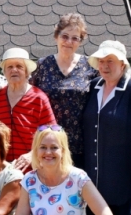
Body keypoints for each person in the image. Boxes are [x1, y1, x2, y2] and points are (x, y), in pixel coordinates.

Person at [83, 40, 131, 215]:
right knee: (103, 208)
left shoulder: (130, 89)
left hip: (123, 163)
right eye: (101, 61)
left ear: (122, 64)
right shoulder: (94, 86)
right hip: (96, 162)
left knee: (127, 213)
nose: (104, 65)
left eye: (110, 61)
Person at [29, 13, 98, 168]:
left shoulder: (90, 67)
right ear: (56, 36)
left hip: (81, 145)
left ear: (80, 41)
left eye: (75, 38)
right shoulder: (43, 65)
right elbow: (25, 92)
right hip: (47, 145)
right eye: (64, 36)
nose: (69, 42)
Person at [0, 48, 56, 172]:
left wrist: (32, 155)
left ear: (27, 72)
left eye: (19, 66)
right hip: (1, 168)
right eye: (10, 67)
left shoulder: (39, 98)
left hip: (32, 170)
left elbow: (51, 133)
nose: (14, 70)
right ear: (4, 72)